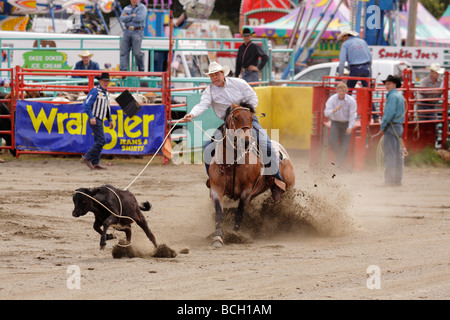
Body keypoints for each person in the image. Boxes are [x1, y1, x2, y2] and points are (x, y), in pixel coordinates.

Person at [183, 61, 286, 192]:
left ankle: (276, 179)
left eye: (216, 74)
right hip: (229, 124)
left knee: (265, 144)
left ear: (222, 74)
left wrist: (244, 112)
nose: (214, 78)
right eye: (211, 76)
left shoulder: (239, 83)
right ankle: (213, 180)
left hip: (246, 120)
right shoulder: (209, 91)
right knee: (208, 147)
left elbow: (252, 97)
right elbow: (202, 105)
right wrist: (192, 114)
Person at [337, 29, 378, 122]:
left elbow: (342, 61)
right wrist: (369, 70)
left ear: (346, 36)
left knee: (348, 92)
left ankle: (345, 115)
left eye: (343, 38)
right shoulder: (362, 42)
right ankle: (375, 117)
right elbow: (370, 58)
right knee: (368, 93)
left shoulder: (346, 44)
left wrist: (340, 74)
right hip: (366, 68)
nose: (343, 40)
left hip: (355, 69)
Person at [81, 72, 114, 170]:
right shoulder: (95, 91)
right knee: (101, 140)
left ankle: (95, 162)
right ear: (100, 81)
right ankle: (87, 157)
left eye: (107, 81)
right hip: (95, 119)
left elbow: (106, 108)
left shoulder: (104, 92)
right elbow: (86, 105)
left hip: (98, 119)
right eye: (105, 81)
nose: (106, 83)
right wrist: (91, 117)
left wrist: (110, 119)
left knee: (99, 140)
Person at [323, 82, 357, 168]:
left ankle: (338, 165)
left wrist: (350, 126)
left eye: (343, 91)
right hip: (335, 123)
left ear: (346, 91)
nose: (342, 93)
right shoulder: (332, 99)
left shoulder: (351, 100)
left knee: (345, 145)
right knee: (332, 143)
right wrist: (334, 110)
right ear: (337, 91)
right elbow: (326, 113)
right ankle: (340, 156)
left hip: (346, 124)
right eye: (340, 91)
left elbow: (353, 115)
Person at [380, 75, 405, 186]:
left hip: (391, 126)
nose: (387, 86)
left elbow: (389, 113)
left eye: (389, 84)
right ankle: (397, 180)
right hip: (398, 126)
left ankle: (389, 180)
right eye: (386, 84)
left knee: (390, 154)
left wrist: (383, 126)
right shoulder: (399, 96)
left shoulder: (392, 97)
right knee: (397, 154)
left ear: (394, 84)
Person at [119, 0, 147, 76]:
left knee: (137, 52)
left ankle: (141, 70)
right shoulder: (126, 7)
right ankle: (123, 72)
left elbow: (139, 18)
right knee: (123, 51)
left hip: (137, 31)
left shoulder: (142, 8)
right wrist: (132, 15)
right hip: (127, 31)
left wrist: (127, 16)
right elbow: (122, 19)